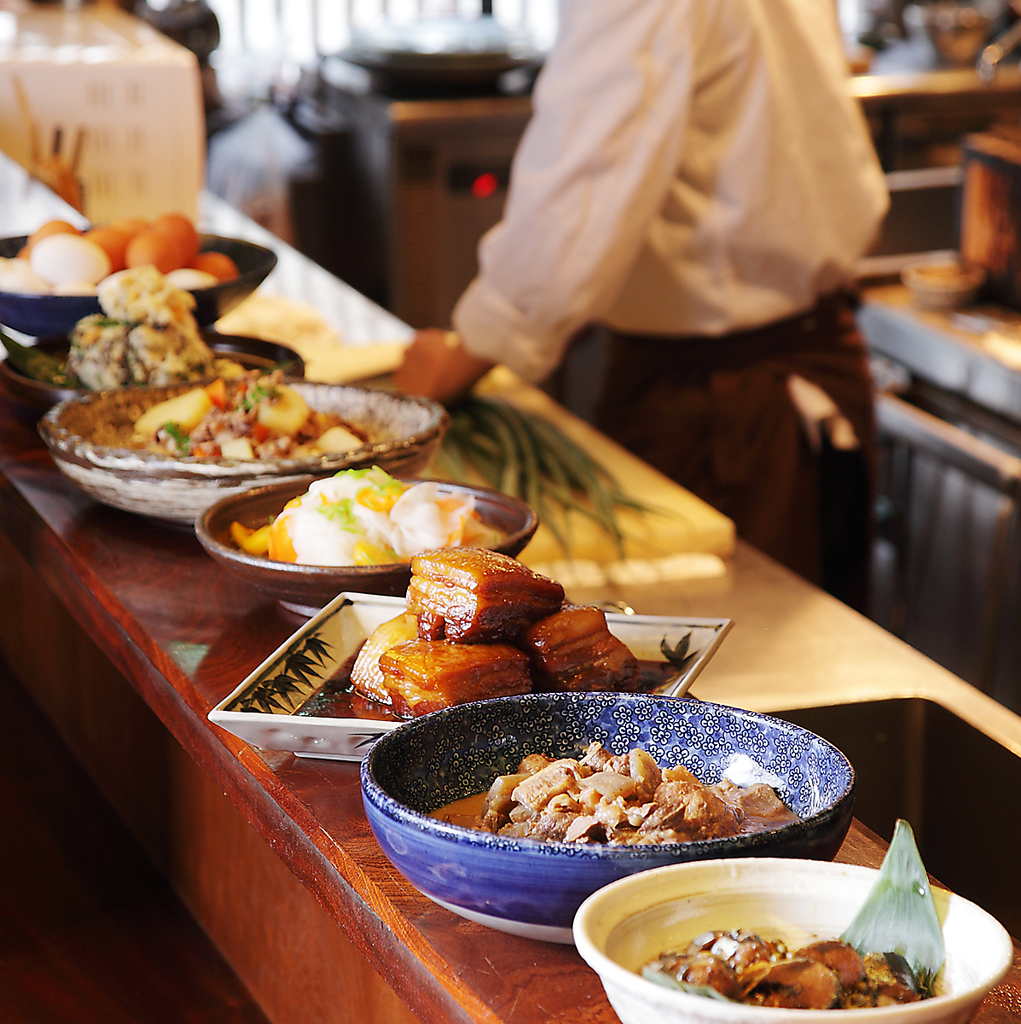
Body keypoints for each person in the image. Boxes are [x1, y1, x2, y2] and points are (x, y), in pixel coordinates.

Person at [393, 0, 889, 610]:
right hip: (790, 357)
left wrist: (457, 361)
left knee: (708, 677)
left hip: (723, 406)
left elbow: (578, 203)